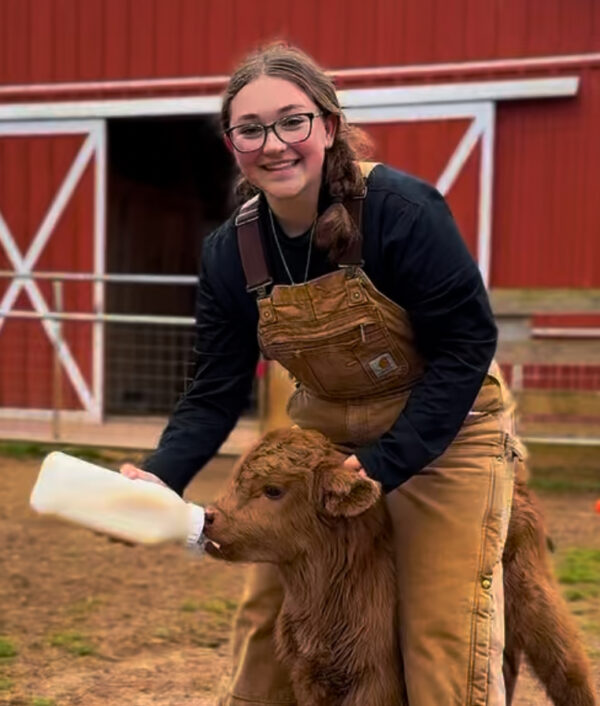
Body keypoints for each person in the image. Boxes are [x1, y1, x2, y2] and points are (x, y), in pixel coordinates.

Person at [122, 42, 519, 706]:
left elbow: (467, 343)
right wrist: (160, 475)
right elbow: (216, 387)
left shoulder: (400, 212)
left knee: (440, 632)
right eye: (252, 128)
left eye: (292, 121)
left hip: (448, 430)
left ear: (327, 127)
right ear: (233, 144)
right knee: (268, 621)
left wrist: (389, 462)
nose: (274, 143)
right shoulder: (231, 252)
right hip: (325, 428)